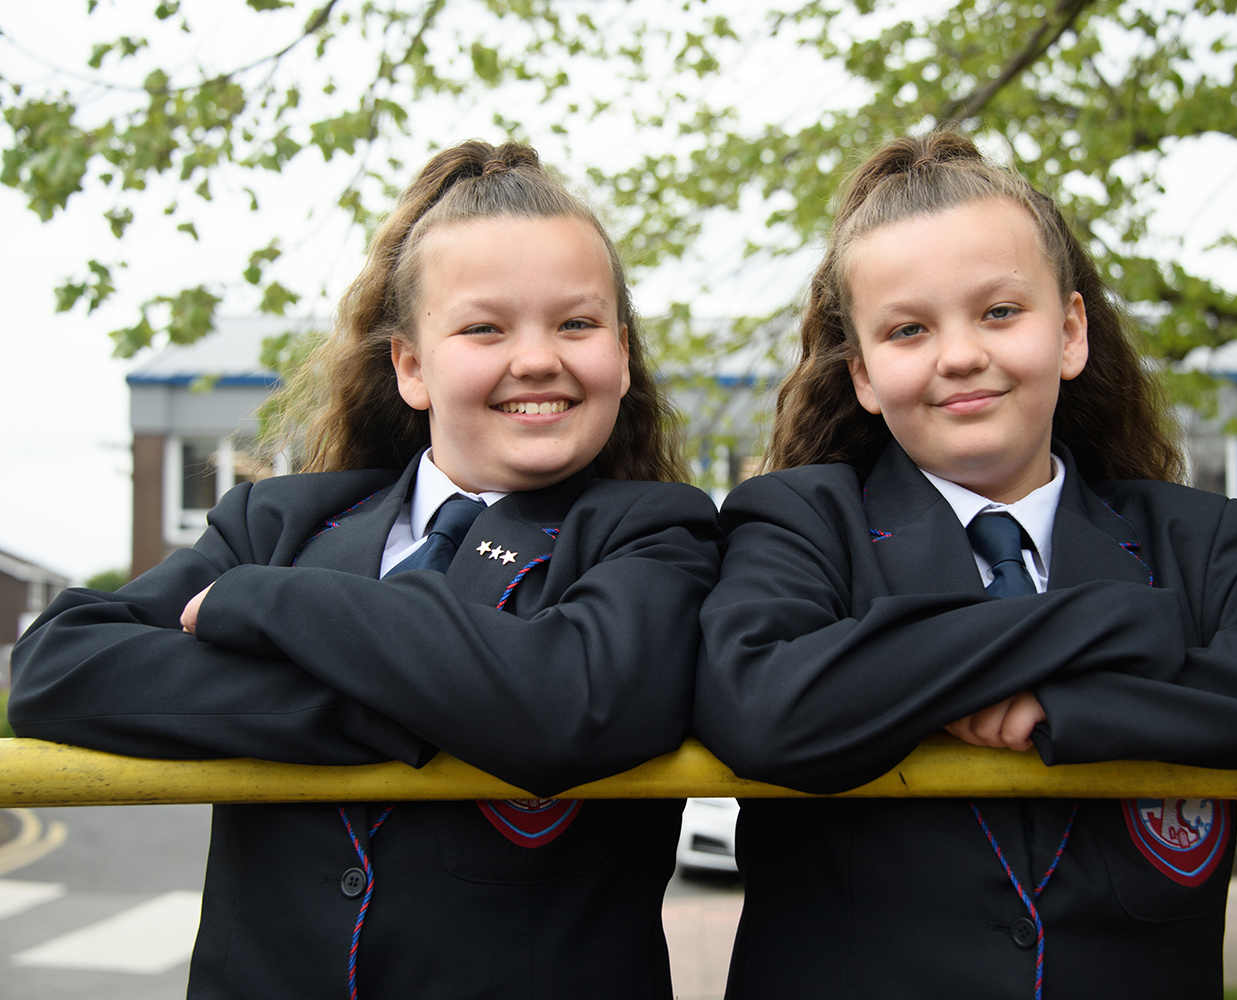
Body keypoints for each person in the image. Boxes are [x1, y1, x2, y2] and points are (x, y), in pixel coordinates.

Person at [693, 130, 1237, 1000]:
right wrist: (1124, 621)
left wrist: (1079, 704)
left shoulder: (1193, 538)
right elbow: (761, 704)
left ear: (1072, 332)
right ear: (863, 374)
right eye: (908, 330)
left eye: (1000, 312)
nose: (960, 354)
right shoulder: (800, 520)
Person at [11, 140, 721, 1000]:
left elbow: (572, 701)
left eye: (577, 323)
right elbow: (58, 666)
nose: (537, 358)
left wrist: (269, 603)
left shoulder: (662, 534)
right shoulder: (274, 518)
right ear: (412, 366)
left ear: (620, 352)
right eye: (484, 327)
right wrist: (444, 705)